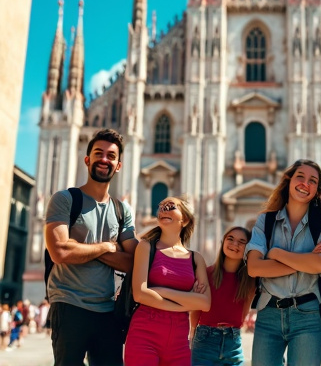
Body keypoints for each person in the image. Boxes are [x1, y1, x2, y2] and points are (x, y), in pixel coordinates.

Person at [45, 128, 138, 366]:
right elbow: (60, 252)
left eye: (111, 156)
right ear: (87, 159)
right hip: (69, 304)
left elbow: (132, 262)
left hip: (108, 311)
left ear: (118, 166)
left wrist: (81, 248)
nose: (104, 159)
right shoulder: (65, 199)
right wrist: (109, 246)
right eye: (99, 153)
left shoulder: (122, 211)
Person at [245, 159, 321, 366]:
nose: (305, 184)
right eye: (300, 177)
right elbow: (254, 268)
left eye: (313, 181)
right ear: (288, 181)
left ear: (317, 189)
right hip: (268, 314)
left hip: (307, 314)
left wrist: (276, 253)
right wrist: (307, 261)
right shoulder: (266, 221)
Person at [125, 196, 211, 366]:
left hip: (179, 340)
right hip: (144, 334)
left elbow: (205, 303)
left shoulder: (196, 259)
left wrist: (161, 291)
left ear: (184, 220)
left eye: (170, 206)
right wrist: (186, 303)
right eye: (161, 206)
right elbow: (140, 295)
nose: (163, 209)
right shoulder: (145, 247)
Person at [190, 226, 256, 366]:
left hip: (233, 343)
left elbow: (244, 310)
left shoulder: (249, 281)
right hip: (204, 341)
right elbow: (197, 309)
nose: (234, 244)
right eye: (230, 239)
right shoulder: (206, 273)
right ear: (223, 242)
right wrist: (192, 333)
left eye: (241, 241)